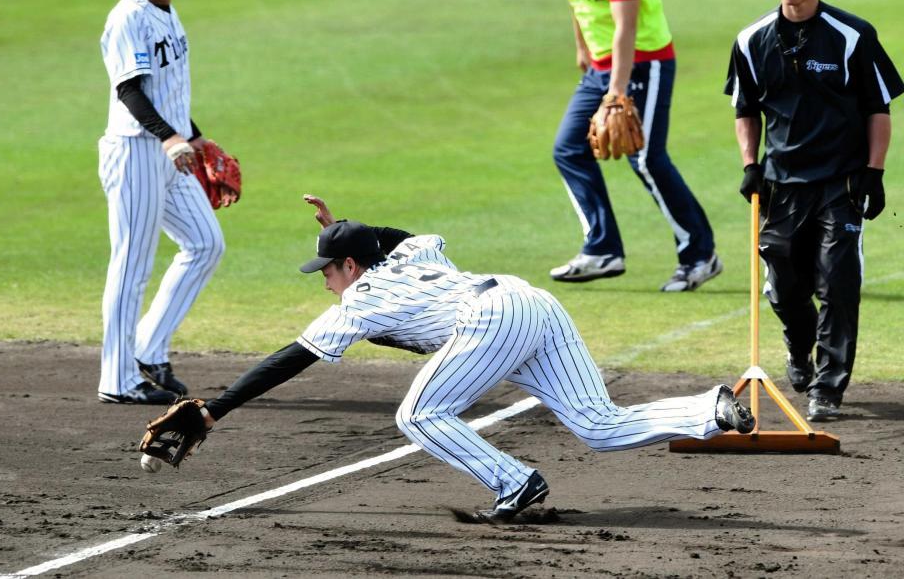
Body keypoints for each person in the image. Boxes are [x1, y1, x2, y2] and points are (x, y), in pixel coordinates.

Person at [181, 195, 754, 523]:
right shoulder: (408, 253)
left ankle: (515, 484)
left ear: (351, 267)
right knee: (598, 425)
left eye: (328, 268)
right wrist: (342, 230)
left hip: (493, 321)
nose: (324, 280)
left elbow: (291, 357)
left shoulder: (362, 298)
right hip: (532, 303)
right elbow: (393, 235)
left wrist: (216, 410)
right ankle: (709, 410)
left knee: (418, 415)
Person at [725, 0, 903, 420]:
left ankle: (828, 386)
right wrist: (749, 164)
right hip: (782, 185)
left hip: (840, 183)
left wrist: (874, 171)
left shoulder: (852, 35)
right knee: (784, 287)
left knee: (838, 283)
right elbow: (745, 109)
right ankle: (800, 349)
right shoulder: (751, 40)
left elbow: (877, 108)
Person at [97, 0, 233, 404]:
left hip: (169, 150)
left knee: (205, 243)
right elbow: (131, 92)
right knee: (131, 266)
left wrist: (194, 136)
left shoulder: (167, 11)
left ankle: (147, 351)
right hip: (137, 151)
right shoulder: (129, 18)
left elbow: (166, 90)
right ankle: (117, 381)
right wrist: (172, 138)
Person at [545, 0, 721, 292]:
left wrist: (616, 93)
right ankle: (603, 248)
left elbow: (626, 26)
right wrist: (582, 47)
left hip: (644, 62)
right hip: (601, 66)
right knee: (568, 149)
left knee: (646, 159)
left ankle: (700, 256)